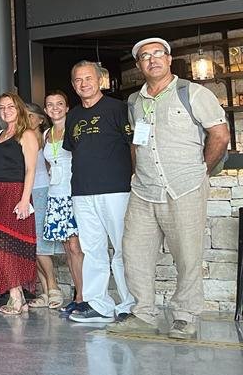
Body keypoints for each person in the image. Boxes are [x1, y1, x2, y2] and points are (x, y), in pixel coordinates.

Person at [109, 38, 230, 340]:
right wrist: (136, 175)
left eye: (158, 54)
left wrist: (202, 170)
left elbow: (220, 134)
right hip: (144, 190)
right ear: (139, 65)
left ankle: (185, 316)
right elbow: (136, 143)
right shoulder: (134, 101)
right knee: (134, 253)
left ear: (169, 59)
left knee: (187, 255)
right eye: (145, 56)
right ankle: (143, 314)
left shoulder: (193, 93)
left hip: (184, 187)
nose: (152, 60)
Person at [64, 61, 135, 324]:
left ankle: (130, 304)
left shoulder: (118, 108)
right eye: (78, 80)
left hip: (117, 190)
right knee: (92, 250)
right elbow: (73, 151)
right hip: (82, 192)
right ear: (73, 85)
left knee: (123, 248)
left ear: (99, 80)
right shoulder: (72, 116)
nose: (83, 84)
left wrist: (135, 178)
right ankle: (98, 305)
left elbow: (134, 146)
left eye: (88, 78)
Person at [0, 92, 39, 316]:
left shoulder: (27, 134)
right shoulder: (0, 134)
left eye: (10, 106)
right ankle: (17, 295)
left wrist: (24, 199)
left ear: (19, 108)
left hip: (14, 192)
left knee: (6, 245)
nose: (6, 111)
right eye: (2, 107)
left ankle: (16, 296)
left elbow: (31, 170)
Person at [41, 90, 82, 314]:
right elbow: (48, 165)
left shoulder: (73, 129)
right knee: (68, 249)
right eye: (50, 104)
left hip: (73, 193)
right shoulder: (46, 134)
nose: (55, 108)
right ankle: (78, 295)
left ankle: (83, 295)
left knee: (76, 247)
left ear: (67, 108)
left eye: (59, 103)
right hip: (56, 195)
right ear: (45, 110)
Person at [25, 101, 62, 310]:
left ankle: (53, 286)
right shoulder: (20, 136)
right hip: (24, 192)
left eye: (31, 115)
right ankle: (45, 291)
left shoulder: (47, 136)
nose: (27, 119)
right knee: (31, 243)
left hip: (42, 189)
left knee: (40, 243)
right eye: (24, 115)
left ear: (41, 119)